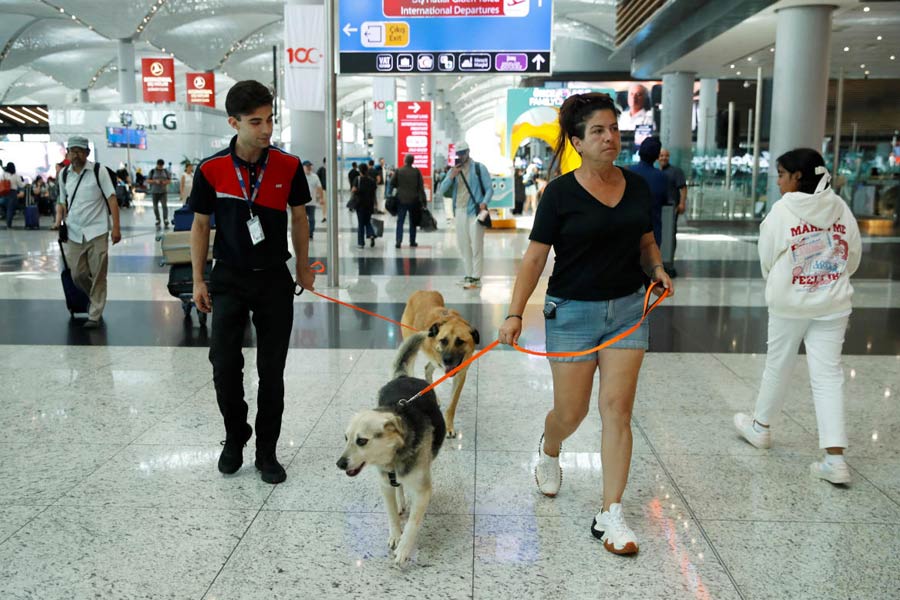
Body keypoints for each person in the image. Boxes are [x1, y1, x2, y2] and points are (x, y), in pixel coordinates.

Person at [498, 92, 673, 556]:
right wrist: (515, 312)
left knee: (617, 409)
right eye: (598, 131)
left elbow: (646, 240)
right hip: (572, 312)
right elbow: (535, 257)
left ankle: (610, 511)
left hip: (628, 311)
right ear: (576, 140)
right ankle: (550, 447)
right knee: (571, 413)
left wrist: (655, 268)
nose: (610, 137)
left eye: (614, 129)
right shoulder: (559, 194)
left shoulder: (635, 186)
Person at [188, 79, 315, 485]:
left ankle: (266, 450)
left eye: (270, 120)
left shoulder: (289, 165)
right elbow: (201, 224)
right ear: (234, 122)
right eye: (256, 121)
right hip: (227, 278)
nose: (266, 130)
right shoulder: (210, 169)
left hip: (274, 280)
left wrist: (305, 266)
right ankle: (234, 435)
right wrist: (197, 279)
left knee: (271, 370)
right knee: (224, 365)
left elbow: (299, 217)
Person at [734, 148, 861, 485]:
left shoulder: (783, 211)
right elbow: (854, 256)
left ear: (797, 177)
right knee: (828, 376)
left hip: (790, 302)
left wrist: (785, 281)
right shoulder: (840, 208)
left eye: (780, 174)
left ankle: (761, 427)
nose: (777, 182)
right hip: (833, 302)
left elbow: (766, 257)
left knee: (778, 364)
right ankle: (835, 459)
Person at [57, 135, 122, 328]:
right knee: (77, 274)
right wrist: (58, 221)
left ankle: (94, 314)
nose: (75, 154)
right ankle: (94, 298)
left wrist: (116, 228)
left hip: (98, 230)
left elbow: (112, 200)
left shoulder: (98, 171)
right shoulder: (64, 175)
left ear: (87, 153)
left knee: (99, 273)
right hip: (74, 231)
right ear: (67, 153)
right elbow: (62, 201)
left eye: (79, 151)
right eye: (72, 150)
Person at [438, 141, 494, 290]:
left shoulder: (478, 168)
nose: (460, 156)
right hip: (460, 210)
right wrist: (451, 176)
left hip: (474, 212)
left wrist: (484, 202)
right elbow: (442, 190)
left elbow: (489, 189)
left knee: (476, 244)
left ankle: (476, 277)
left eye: (463, 153)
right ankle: (468, 274)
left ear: (468, 152)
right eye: (458, 154)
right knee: (463, 245)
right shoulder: (453, 170)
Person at [627, 136, 668, 247]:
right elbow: (667, 200)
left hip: (628, 231)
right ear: (657, 156)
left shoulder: (627, 173)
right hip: (653, 232)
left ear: (640, 151)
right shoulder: (662, 177)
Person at [657, 148, 687, 276]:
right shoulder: (656, 172)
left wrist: (682, 203)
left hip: (671, 211)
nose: (664, 158)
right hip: (657, 210)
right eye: (661, 155)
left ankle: (669, 263)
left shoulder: (676, 172)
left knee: (670, 236)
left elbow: (683, 188)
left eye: (666, 156)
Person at [391, 154, 426, 248]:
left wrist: (399, 186)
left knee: (400, 221)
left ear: (405, 160)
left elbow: (392, 182)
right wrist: (423, 200)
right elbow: (421, 187)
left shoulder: (399, 170)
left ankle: (398, 241)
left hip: (401, 199)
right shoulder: (417, 172)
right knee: (413, 222)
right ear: (413, 161)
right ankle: (412, 241)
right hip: (413, 200)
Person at [352, 163, 377, 249]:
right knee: (367, 221)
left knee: (361, 223)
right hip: (369, 204)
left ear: (360, 171)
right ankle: (371, 234)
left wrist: (357, 191)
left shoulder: (357, 179)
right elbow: (374, 192)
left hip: (360, 205)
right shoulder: (372, 181)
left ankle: (361, 243)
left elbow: (353, 190)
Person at [302, 160, 323, 239]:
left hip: (311, 202)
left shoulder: (315, 176)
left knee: (311, 219)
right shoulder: (299, 176)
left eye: (310, 166)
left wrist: (321, 198)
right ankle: (303, 233)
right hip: (301, 203)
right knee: (302, 220)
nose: (309, 168)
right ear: (303, 167)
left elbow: (319, 187)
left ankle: (310, 233)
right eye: (307, 166)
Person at [148, 158, 172, 228]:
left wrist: (164, 182)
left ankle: (165, 219)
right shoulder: (152, 171)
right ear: (157, 164)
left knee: (164, 206)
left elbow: (169, 180)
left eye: (161, 166)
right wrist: (155, 181)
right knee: (155, 207)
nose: (160, 167)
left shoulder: (165, 171)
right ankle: (158, 219)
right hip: (154, 192)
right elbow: (148, 180)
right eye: (159, 166)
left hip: (163, 192)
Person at [3, 162, 24, 228]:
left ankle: (8, 222)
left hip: (5, 192)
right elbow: (20, 185)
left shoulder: (4, 174)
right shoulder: (16, 176)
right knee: (10, 208)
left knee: (7, 208)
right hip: (13, 192)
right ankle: (9, 224)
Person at [316, 158, 327, 222]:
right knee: (324, 204)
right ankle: (324, 216)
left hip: (331, 190)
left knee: (329, 204)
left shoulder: (331, 169)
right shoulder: (321, 169)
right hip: (323, 189)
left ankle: (328, 215)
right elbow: (317, 179)